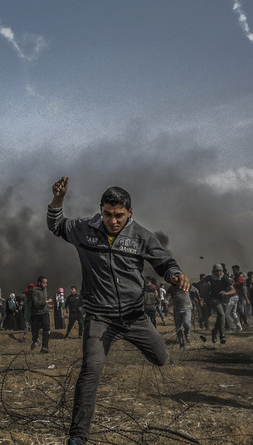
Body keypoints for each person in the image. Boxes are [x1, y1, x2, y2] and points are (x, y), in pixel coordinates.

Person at [46, 177, 189, 445]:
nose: (113, 221)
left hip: (135, 318)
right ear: (101, 209)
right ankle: (78, 437)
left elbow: (164, 261)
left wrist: (176, 274)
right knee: (90, 372)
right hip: (99, 318)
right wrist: (59, 199)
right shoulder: (84, 230)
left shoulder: (142, 237)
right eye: (108, 214)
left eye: (119, 215)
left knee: (161, 358)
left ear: (130, 212)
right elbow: (56, 225)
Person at [209, 264, 234, 344]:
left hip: (224, 299)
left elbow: (233, 290)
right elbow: (203, 284)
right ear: (213, 271)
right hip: (214, 299)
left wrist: (226, 293)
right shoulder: (210, 278)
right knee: (222, 315)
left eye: (220, 270)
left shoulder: (225, 279)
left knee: (220, 317)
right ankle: (222, 335)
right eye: (217, 271)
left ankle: (214, 331)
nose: (219, 272)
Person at [29, 276, 52, 352]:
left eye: (46, 283)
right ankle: (35, 340)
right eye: (44, 283)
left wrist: (48, 305)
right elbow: (35, 303)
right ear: (39, 282)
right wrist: (46, 302)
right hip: (36, 314)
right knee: (35, 330)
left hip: (45, 313)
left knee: (47, 329)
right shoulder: (34, 290)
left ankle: (45, 347)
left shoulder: (45, 289)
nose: (46, 285)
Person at [167, 278, 192, 348]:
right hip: (177, 309)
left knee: (187, 323)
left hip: (187, 308)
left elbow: (195, 290)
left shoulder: (187, 285)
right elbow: (167, 297)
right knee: (178, 328)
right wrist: (166, 303)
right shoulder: (171, 288)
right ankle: (181, 343)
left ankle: (187, 334)